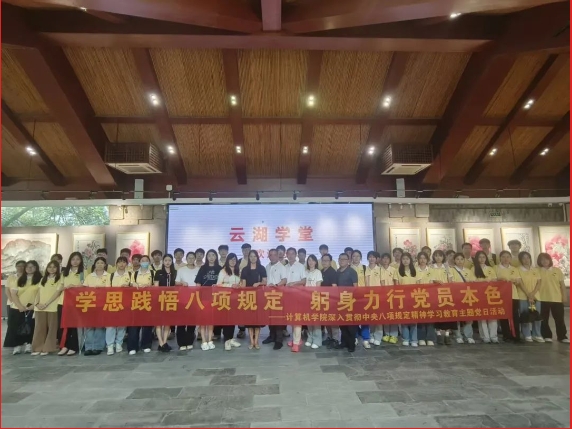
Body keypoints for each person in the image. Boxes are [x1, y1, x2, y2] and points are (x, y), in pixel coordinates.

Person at [4, 260, 41, 355]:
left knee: (30, 326)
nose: (29, 268)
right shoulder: (19, 279)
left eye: (32, 266)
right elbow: (13, 294)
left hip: (32, 308)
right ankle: (17, 346)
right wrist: (20, 306)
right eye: (28, 267)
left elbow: (41, 294)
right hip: (17, 307)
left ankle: (29, 344)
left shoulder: (40, 280)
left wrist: (34, 305)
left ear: (36, 268)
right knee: (16, 327)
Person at [31, 261, 63, 356]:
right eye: (50, 267)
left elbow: (57, 293)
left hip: (52, 307)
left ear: (57, 268)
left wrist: (46, 304)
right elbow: (39, 292)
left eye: (54, 267)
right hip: (39, 307)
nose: (52, 269)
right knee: (39, 328)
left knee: (52, 329)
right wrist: (37, 303)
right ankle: (37, 348)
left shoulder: (60, 278)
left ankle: (48, 348)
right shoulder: (43, 279)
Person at [538, 253, 568, 343]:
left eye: (546, 259)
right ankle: (547, 335)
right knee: (544, 319)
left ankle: (562, 336)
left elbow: (562, 285)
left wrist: (564, 296)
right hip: (542, 298)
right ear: (539, 261)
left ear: (550, 260)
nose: (544, 261)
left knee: (559, 319)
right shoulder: (537, 271)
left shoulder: (557, 271)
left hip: (557, 298)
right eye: (542, 259)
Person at [127, 255, 154, 355]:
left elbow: (156, 286)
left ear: (149, 262)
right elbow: (130, 284)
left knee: (147, 323)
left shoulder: (153, 273)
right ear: (139, 262)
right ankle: (132, 346)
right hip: (136, 301)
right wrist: (133, 284)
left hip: (148, 300)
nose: (144, 262)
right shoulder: (133, 273)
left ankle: (146, 345)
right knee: (134, 324)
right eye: (142, 260)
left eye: (146, 260)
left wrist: (149, 286)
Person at [58, 252, 84, 356]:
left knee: (74, 326)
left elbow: (84, 286)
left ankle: (73, 346)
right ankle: (64, 346)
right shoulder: (64, 272)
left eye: (77, 259)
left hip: (77, 302)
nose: (75, 261)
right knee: (63, 325)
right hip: (63, 301)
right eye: (73, 259)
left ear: (81, 261)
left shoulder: (83, 272)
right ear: (70, 261)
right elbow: (60, 286)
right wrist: (65, 287)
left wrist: (74, 287)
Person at [195, 249, 222, 350]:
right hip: (204, 297)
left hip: (216, 297)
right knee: (203, 319)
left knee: (211, 320)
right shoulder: (203, 268)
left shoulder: (220, 268)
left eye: (213, 255)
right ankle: (203, 340)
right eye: (209, 255)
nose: (211, 257)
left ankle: (210, 339)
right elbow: (198, 283)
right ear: (206, 257)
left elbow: (223, 282)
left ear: (216, 257)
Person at [240, 250, 267, 350]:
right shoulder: (245, 269)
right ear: (249, 258)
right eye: (251, 256)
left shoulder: (261, 268)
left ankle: (256, 341)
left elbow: (265, 282)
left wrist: (259, 283)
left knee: (257, 321)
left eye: (254, 256)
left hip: (259, 296)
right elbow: (243, 284)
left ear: (257, 257)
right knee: (250, 321)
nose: (253, 258)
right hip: (248, 297)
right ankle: (251, 341)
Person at [84, 257, 110, 355]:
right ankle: (88, 347)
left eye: (102, 263)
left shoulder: (109, 276)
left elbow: (111, 289)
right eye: (98, 262)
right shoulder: (89, 276)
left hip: (103, 303)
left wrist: (102, 288)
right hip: (90, 303)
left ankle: (98, 347)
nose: (99, 264)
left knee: (100, 326)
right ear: (94, 264)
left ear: (105, 265)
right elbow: (84, 289)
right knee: (89, 326)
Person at [448, 253, 476, 344]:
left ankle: (468, 336)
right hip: (456, 296)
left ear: (464, 260)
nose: (459, 261)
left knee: (468, 315)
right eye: (457, 259)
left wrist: (470, 282)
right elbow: (450, 282)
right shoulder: (451, 270)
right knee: (457, 316)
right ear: (454, 260)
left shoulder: (468, 271)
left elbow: (474, 281)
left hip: (468, 296)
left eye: (461, 259)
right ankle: (458, 335)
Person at [216, 253, 242, 351]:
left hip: (236, 299)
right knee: (226, 319)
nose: (233, 261)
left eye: (234, 259)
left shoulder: (238, 271)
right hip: (225, 298)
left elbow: (240, 283)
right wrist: (231, 286)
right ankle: (226, 340)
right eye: (231, 259)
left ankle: (231, 339)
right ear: (227, 261)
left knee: (233, 319)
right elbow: (218, 284)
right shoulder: (223, 271)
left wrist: (239, 285)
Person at [262, 249, 287, 349]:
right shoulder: (267, 266)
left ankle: (279, 340)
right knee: (270, 317)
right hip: (268, 295)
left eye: (274, 255)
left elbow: (284, 280)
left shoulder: (282, 267)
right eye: (270, 255)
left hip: (278, 296)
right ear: (268, 256)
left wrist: (276, 285)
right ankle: (272, 336)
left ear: (278, 256)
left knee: (278, 318)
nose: (272, 257)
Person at [174, 251, 199, 351]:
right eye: (189, 258)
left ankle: (189, 341)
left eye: (193, 258)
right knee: (181, 322)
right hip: (183, 298)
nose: (191, 259)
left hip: (194, 298)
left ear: (195, 259)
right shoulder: (181, 270)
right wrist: (182, 283)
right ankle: (181, 343)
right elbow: (176, 282)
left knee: (191, 322)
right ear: (186, 258)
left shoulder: (198, 269)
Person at [106, 256, 131, 355]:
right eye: (119, 262)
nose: (121, 264)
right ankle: (110, 345)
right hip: (112, 303)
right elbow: (106, 290)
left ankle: (119, 343)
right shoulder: (111, 275)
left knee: (122, 324)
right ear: (116, 264)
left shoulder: (130, 274)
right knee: (110, 325)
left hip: (125, 303)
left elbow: (134, 286)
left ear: (127, 264)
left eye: (124, 262)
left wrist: (128, 286)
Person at [496, 251, 522, 342]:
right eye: (503, 257)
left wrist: (514, 281)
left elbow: (519, 281)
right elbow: (493, 280)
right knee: (503, 316)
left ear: (510, 258)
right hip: (500, 296)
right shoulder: (496, 268)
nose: (506, 259)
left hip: (514, 295)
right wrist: (499, 279)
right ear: (500, 258)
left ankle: (516, 335)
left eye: (508, 257)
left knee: (515, 316)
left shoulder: (514, 269)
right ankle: (506, 335)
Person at [517, 252, 543, 342]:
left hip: (536, 296)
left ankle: (537, 334)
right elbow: (520, 283)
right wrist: (528, 294)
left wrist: (532, 294)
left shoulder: (535, 270)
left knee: (536, 315)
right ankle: (527, 334)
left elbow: (539, 283)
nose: (526, 260)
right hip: (523, 296)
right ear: (520, 260)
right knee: (525, 315)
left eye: (528, 257)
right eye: (523, 258)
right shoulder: (518, 270)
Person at [335, 253, 358, 352]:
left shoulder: (352, 271)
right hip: (339, 301)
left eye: (344, 259)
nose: (341, 261)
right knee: (342, 323)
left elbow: (355, 287)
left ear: (348, 261)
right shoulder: (337, 271)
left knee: (350, 324)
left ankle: (351, 344)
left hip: (349, 301)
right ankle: (344, 342)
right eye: (340, 259)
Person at [473, 250, 498, 343]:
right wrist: (483, 281)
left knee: (492, 314)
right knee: (482, 316)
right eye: (479, 257)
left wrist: (487, 280)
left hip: (491, 294)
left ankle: (493, 336)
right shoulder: (473, 268)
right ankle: (485, 336)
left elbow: (495, 280)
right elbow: (472, 281)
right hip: (479, 295)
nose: (482, 259)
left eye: (483, 257)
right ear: (476, 258)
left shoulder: (490, 269)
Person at [154, 254, 177, 352]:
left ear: (172, 262)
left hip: (171, 299)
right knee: (159, 322)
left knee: (168, 322)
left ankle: (164, 342)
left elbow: (177, 285)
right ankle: (160, 342)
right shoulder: (158, 272)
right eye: (166, 260)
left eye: (169, 260)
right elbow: (156, 287)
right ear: (163, 262)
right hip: (160, 299)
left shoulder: (175, 273)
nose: (167, 262)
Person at [395, 252, 418, 347]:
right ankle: (405, 338)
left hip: (414, 298)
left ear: (410, 260)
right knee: (404, 318)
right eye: (403, 259)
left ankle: (414, 339)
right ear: (401, 260)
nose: (405, 261)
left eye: (407, 259)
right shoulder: (397, 271)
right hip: (403, 298)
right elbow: (396, 286)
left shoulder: (415, 271)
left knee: (414, 318)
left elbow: (419, 285)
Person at [285, 247, 306, 348]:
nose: (290, 255)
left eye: (292, 253)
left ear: (296, 255)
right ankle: (296, 339)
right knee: (291, 319)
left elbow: (304, 281)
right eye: (289, 254)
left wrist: (294, 283)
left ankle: (296, 343)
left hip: (298, 296)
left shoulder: (300, 266)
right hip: (288, 296)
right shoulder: (285, 267)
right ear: (286, 255)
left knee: (297, 318)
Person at [351, 250, 370, 349]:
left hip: (363, 296)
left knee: (364, 317)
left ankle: (366, 339)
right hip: (352, 297)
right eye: (354, 256)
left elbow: (367, 283)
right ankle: (354, 337)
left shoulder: (365, 268)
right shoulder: (349, 268)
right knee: (354, 318)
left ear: (361, 257)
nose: (356, 258)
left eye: (358, 256)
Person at [416, 252, 435, 346]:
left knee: (430, 317)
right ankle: (421, 338)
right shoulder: (415, 270)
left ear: (427, 260)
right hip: (418, 296)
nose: (422, 260)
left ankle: (430, 338)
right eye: (421, 258)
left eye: (424, 258)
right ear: (418, 260)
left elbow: (433, 282)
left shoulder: (431, 270)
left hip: (429, 296)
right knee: (420, 317)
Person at [304, 255, 323, 349]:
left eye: (312, 260)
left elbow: (318, 286)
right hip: (306, 299)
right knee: (308, 319)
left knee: (315, 320)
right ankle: (310, 338)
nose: (310, 262)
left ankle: (317, 340)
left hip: (315, 298)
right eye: (309, 260)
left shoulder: (318, 272)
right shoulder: (305, 272)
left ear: (316, 262)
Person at [379, 252, 398, 344]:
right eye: (384, 258)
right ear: (381, 260)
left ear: (390, 260)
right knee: (385, 315)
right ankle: (386, 334)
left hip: (392, 295)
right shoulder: (379, 270)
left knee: (393, 315)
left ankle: (394, 335)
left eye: (387, 258)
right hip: (382, 296)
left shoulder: (393, 270)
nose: (385, 260)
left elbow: (396, 282)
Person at [320, 253, 339, 348]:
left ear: (330, 262)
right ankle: (330, 337)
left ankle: (335, 339)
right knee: (326, 319)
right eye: (323, 260)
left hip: (331, 300)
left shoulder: (333, 272)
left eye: (327, 260)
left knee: (333, 320)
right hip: (323, 299)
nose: (324, 262)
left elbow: (334, 287)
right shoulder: (321, 271)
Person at [365, 251, 383, 345]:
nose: (371, 259)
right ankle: (371, 335)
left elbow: (382, 283)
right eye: (370, 257)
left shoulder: (380, 269)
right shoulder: (365, 269)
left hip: (378, 296)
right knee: (371, 317)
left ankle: (378, 336)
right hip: (368, 296)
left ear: (376, 259)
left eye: (373, 257)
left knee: (378, 317)